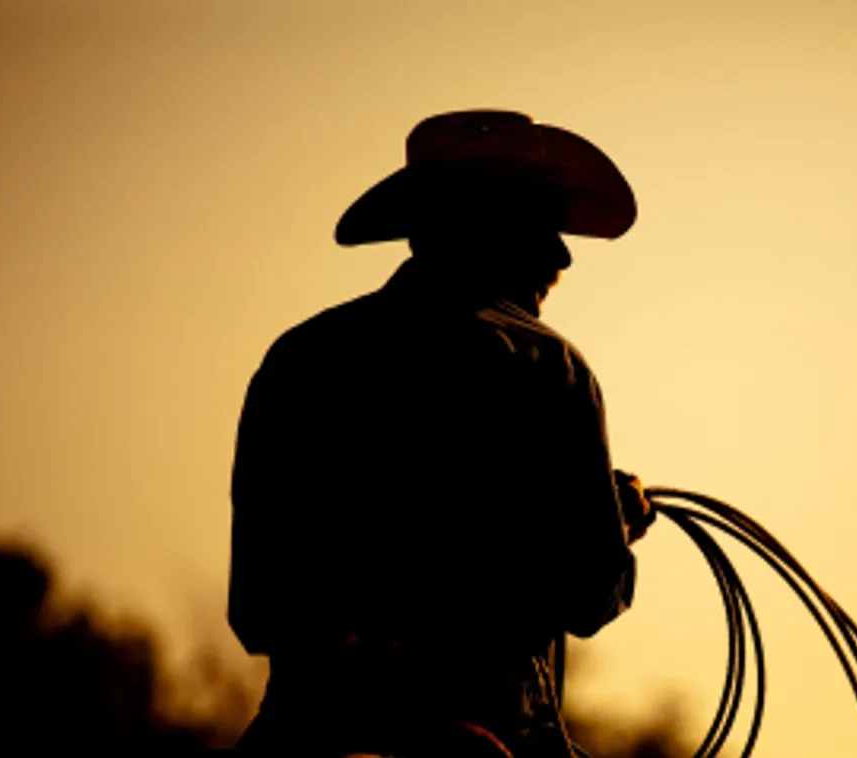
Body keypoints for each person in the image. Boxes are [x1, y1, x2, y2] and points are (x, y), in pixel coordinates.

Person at [228, 110, 654, 757]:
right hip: (490, 730)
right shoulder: (546, 365)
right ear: (490, 227)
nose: (561, 254)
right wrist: (610, 526)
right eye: (541, 224)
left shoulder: (300, 357)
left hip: (304, 730)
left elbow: (258, 607)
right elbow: (586, 593)